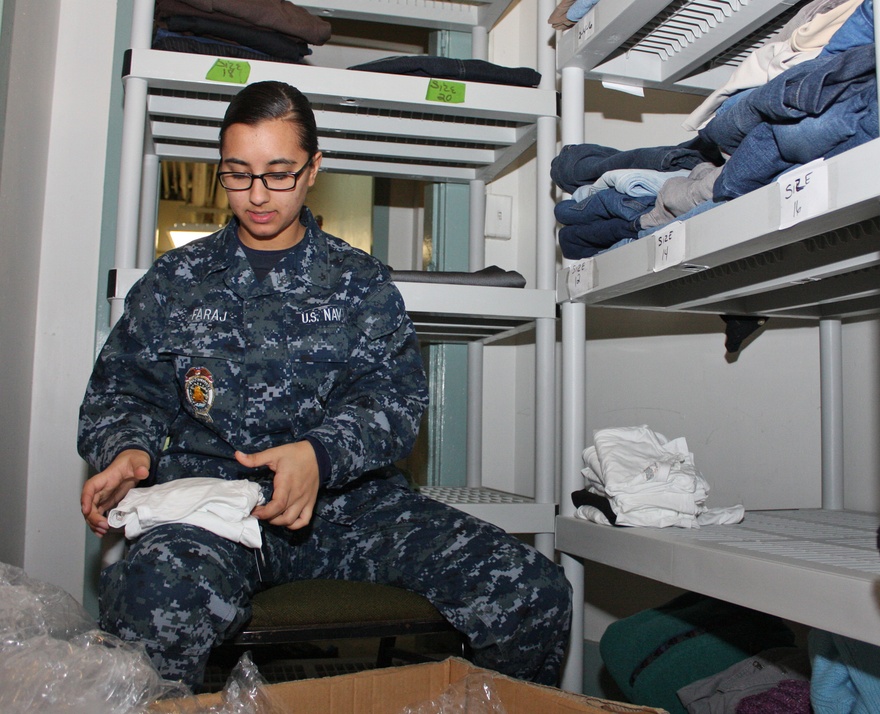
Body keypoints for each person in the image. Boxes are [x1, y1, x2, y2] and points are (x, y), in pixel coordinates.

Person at [78, 80, 571, 689]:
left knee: (532, 590)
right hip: (216, 508)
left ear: (314, 169)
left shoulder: (359, 282)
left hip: (350, 508)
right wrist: (128, 451)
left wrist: (320, 453)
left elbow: (393, 403)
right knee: (153, 594)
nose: (257, 196)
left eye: (279, 173)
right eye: (238, 174)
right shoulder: (177, 281)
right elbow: (123, 390)